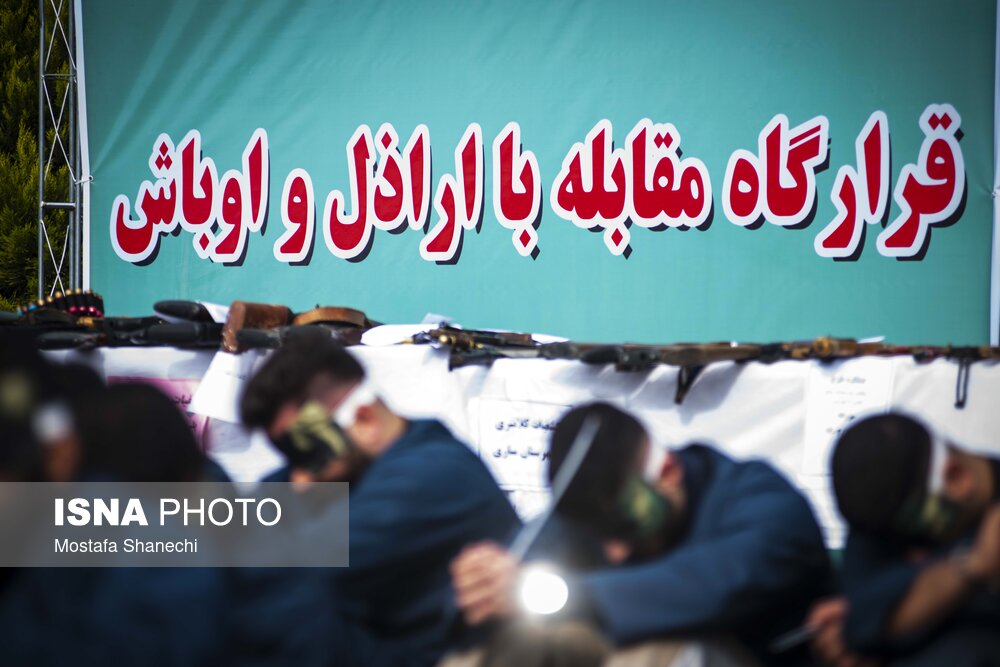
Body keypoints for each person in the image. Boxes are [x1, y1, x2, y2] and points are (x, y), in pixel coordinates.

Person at [450, 402, 832, 666]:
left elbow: (712, 587)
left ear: (667, 472)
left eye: (627, 528)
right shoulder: (589, 511)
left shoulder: (766, 504)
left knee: (657, 651)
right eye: (599, 534)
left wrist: (574, 595)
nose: (614, 552)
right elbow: (518, 578)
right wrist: (485, 588)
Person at [240, 338, 521, 667]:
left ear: (365, 420)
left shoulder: (430, 476)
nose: (298, 475)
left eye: (305, 452)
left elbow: (278, 571)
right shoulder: (352, 468)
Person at [812, 412, 1000, 667]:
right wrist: (974, 565)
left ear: (957, 478)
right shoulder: (885, 515)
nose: (914, 549)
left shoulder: (903, 510)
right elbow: (859, 625)